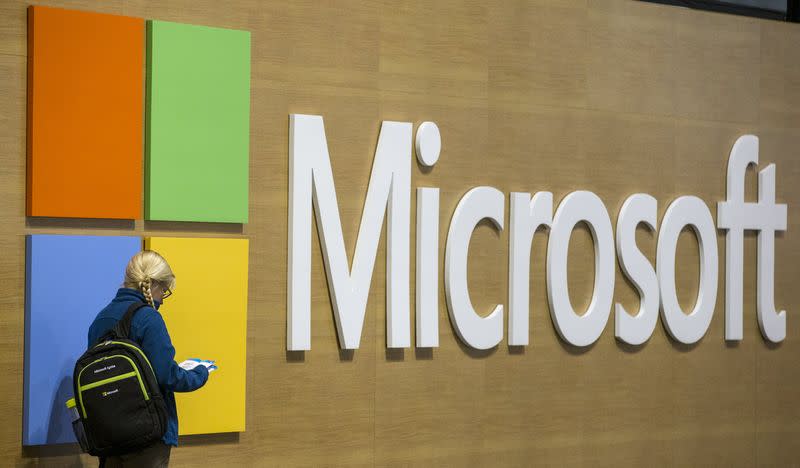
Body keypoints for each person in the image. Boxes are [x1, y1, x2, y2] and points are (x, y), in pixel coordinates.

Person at [87, 250, 210, 467]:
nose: (163, 297)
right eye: (164, 290)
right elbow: (167, 377)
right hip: (147, 435)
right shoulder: (149, 319)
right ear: (153, 285)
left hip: (108, 434)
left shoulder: (101, 318)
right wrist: (200, 373)